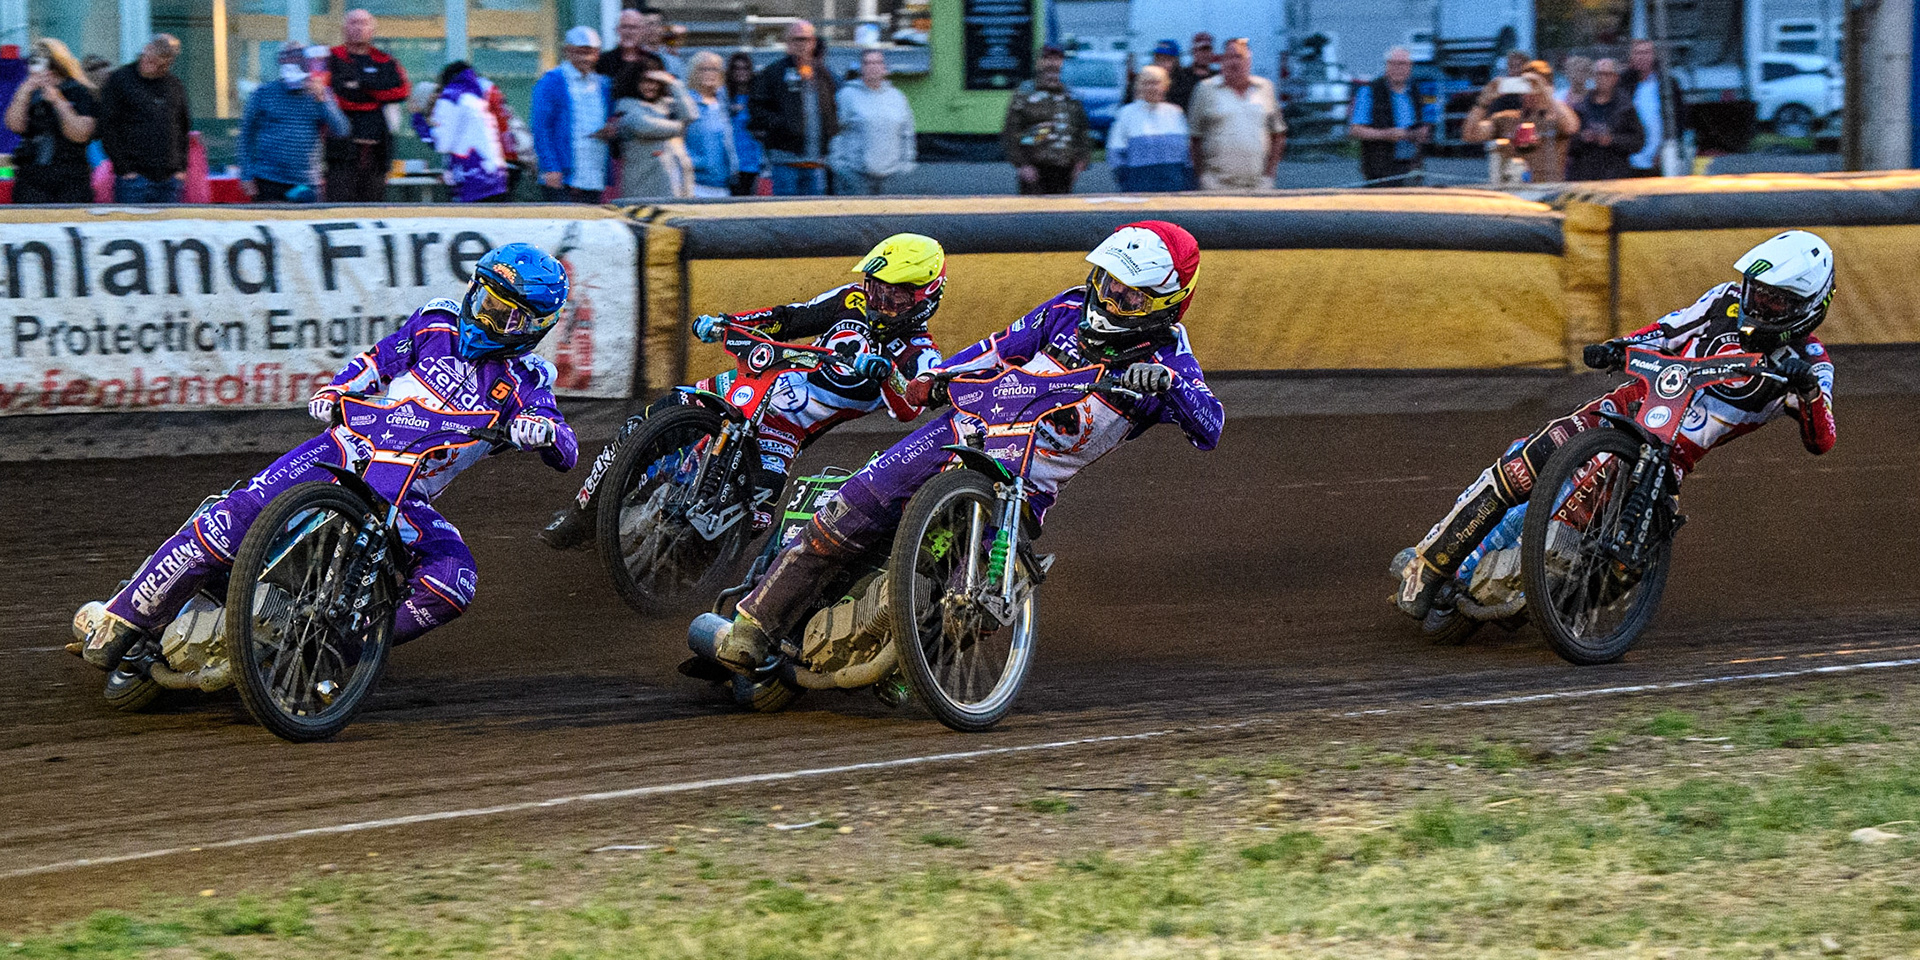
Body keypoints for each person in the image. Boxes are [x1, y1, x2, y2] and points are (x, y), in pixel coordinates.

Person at [711, 221, 1224, 673]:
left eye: (1128, 296)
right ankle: (753, 625)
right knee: (851, 509)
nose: (1109, 299)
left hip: (1027, 487)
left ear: (1165, 305)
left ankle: (918, 666)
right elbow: (999, 347)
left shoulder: (1171, 361)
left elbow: (1212, 426)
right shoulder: (1068, 307)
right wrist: (937, 376)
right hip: (963, 431)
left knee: (971, 603)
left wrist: (1168, 385)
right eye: (1107, 282)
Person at [72, 243, 580, 676]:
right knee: (235, 517)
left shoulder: (528, 379)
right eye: (482, 294)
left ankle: (341, 648)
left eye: (499, 311)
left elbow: (566, 446)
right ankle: (122, 616)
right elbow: (377, 362)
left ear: (532, 326)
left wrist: (540, 431)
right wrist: (337, 388)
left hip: (406, 496)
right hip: (347, 448)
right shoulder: (436, 321)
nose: (481, 311)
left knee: (455, 580)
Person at [1393, 230, 1838, 620]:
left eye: (1775, 299)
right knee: (1526, 459)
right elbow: (1667, 330)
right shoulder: (1725, 300)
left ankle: (1525, 593)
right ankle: (1429, 564)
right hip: (1624, 408)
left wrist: (1810, 393)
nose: (1758, 303)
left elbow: (1823, 440)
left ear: (1809, 306)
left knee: (1582, 527)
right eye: (1756, 290)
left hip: (1666, 459)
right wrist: (1616, 347)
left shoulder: (1812, 365)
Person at [541, 233, 950, 549]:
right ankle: (581, 514)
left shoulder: (919, 353)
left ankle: (681, 573)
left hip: (785, 433)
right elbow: (787, 319)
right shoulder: (850, 300)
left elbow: (909, 407)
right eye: (875, 287)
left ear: (925, 298)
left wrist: (888, 377)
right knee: (643, 426)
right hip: (750, 384)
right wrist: (728, 322)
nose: (878, 300)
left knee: (752, 520)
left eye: (893, 295)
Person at [237, 42, 348, 202]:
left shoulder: (321, 93)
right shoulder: (263, 93)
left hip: (307, 182)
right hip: (268, 179)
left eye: (297, 55)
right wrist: (246, 175)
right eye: (286, 56)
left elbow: (342, 130)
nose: (291, 60)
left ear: (305, 61)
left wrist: (323, 100)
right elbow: (246, 135)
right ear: (280, 61)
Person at [324, 9, 412, 202]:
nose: (358, 28)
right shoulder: (331, 58)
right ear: (344, 28)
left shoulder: (386, 61)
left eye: (363, 23)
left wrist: (362, 85)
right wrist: (376, 96)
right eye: (353, 23)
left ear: (372, 29)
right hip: (340, 152)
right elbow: (331, 96)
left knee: (373, 205)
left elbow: (402, 91)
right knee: (338, 206)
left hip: (377, 151)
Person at [748, 20, 838, 196]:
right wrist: (783, 126)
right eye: (796, 39)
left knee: (813, 216)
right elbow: (756, 108)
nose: (801, 44)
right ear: (788, 43)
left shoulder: (824, 74)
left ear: (813, 42)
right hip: (785, 161)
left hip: (816, 162)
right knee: (786, 214)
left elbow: (833, 109)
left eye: (806, 39)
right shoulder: (773, 73)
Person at [5, 38, 99, 204]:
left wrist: (58, 101)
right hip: (32, 178)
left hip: (71, 178)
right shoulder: (29, 92)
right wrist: (24, 92)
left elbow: (81, 134)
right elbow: (14, 125)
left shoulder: (78, 91)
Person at [98, 34, 189, 204]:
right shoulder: (120, 80)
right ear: (145, 50)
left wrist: (180, 168)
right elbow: (107, 126)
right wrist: (123, 168)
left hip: (169, 178)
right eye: (148, 57)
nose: (150, 64)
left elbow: (182, 127)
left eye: (157, 62)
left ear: (168, 62)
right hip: (133, 178)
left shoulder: (174, 85)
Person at [1187, 38, 1285, 191]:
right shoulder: (1205, 89)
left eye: (1239, 57)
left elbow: (1278, 135)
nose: (1234, 62)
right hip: (1217, 186)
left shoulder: (1265, 88)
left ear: (1249, 60)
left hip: (1258, 186)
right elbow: (1194, 138)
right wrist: (1203, 177)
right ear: (1222, 61)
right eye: (1229, 57)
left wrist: (1269, 176)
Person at [531, 26, 614, 202]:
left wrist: (610, 130)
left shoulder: (603, 84)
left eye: (591, 52)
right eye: (580, 52)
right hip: (563, 175)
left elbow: (610, 118)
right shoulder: (552, 81)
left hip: (594, 173)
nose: (587, 58)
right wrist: (550, 166)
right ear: (568, 51)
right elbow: (541, 128)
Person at [1465, 62, 1578, 183]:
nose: (1530, 93)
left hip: (1549, 191)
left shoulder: (1557, 118)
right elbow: (1470, 135)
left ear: (1549, 87)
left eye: (1534, 86)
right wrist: (1483, 102)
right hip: (1514, 192)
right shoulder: (1506, 118)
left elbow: (1570, 127)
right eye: (1526, 86)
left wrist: (1546, 94)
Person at [1000, 45, 1090, 195]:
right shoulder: (1025, 95)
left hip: (1064, 169)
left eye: (1057, 59)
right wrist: (1022, 165)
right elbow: (1011, 133)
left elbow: (1082, 131)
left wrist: (1081, 162)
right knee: (1033, 214)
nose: (1052, 63)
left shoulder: (1070, 97)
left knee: (1061, 214)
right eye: (1047, 58)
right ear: (1039, 63)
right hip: (1035, 169)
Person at [418, 61, 510, 202]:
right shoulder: (475, 98)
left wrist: (419, 122)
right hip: (495, 176)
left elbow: (442, 144)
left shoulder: (450, 97)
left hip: (473, 179)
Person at [1347, 46, 1438, 187]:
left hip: (1412, 165)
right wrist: (1386, 134)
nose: (1398, 68)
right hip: (1380, 167)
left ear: (1410, 67)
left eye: (1402, 64)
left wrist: (1422, 132)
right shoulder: (1369, 91)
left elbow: (1425, 122)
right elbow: (1355, 130)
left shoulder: (1415, 91)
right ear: (1386, 66)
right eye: (1393, 64)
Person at [829, 49, 916, 195]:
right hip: (855, 176)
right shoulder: (847, 96)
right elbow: (835, 132)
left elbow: (907, 132)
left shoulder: (897, 97)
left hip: (891, 177)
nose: (873, 67)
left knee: (888, 217)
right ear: (861, 68)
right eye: (868, 63)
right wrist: (839, 166)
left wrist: (906, 165)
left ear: (885, 68)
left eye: (878, 62)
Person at [612, 66, 697, 199]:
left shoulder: (666, 105)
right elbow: (644, 126)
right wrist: (681, 126)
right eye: (644, 82)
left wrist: (673, 83)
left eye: (654, 82)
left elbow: (691, 115)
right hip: (642, 190)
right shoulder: (626, 107)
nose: (650, 87)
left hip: (674, 187)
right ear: (633, 83)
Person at [1106, 65, 1189, 192]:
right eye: (1146, 83)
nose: (1152, 88)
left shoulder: (1176, 113)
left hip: (1174, 188)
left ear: (1165, 86)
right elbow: (1115, 153)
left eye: (1156, 83)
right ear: (1139, 86)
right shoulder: (1126, 113)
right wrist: (1127, 182)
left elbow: (1187, 154)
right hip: (1138, 189)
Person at [1567, 58, 1647, 181]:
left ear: (1615, 78)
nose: (1602, 78)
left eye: (1607, 74)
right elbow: (1568, 143)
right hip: (1585, 175)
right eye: (1598, 74)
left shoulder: (1625, 108)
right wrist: (1583, 138)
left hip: (1616, 174)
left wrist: (1612, 140)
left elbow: (1637, 141)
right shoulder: (1581, 108)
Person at [682, 52, 738, 198]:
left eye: (714, 69)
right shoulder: (687, 103)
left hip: (723, 184)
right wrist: (694, 163)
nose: (709, 73)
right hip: (696, 184)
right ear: (694, 72)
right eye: (703, 69)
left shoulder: (722, 103)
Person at [1623, 39, 1682, 177]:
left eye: (1646, 52)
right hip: (1629, 160)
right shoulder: (1624, 84)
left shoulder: (1668, 84)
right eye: (1638, 53)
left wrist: (1665, 151)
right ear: (1631, 56)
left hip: (1658, 158)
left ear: (1653, 55)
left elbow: (1678, 119)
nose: (1642, 57)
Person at [596, 8, 672, 93]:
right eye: (624, 27)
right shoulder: (603, 61)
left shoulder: (654, 61)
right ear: (617, 30)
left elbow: (661, 93)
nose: (629, 32)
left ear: (642, 31)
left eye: (633, 27)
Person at [725, 52, 763, 195]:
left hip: (753, 161)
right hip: (731, 162)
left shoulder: (758, 97)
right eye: (736, 68)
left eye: (745, 68)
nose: (741, 72)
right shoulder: (724, 96)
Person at [1172, 32, 1217, 111]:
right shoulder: (1180, 76)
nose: (1205, 54)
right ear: (1193, 51)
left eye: (1208, 51)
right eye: (1201, 50)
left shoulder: (1217, 77)